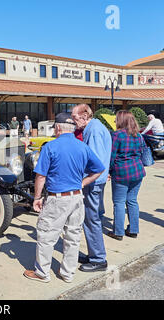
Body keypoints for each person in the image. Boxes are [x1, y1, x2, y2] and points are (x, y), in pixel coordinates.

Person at [23, 113, 105, 283]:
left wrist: (36, 198)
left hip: (57, 199)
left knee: (47, 235)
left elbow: (40, 176)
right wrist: (83, 183)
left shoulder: (50, 147)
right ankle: (67, 273)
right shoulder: (82, 146)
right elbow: (99, 169)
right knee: (73, 237)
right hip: (77, 197)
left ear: (58, 128)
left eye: (54, 127)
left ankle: (42, 273)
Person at [71, 104, 112, 272]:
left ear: (84, 116)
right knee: (91, 219)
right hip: (96, 182)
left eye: (75, 118)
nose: (74, 122)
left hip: (93, 182)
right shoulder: (96, 127)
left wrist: (82, 181)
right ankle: (94, 253)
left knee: (91, 220)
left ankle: (98, 259)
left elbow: (94, 162)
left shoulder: (93, 130)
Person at [108, 111, 146, 240]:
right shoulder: (139, 136)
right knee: (132, 200)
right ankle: (133, 230)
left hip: (121, 172)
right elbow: (141, 153)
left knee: (119, 202)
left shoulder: (117, 135)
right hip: (137, 170)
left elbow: (111, 156)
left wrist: (109, 171)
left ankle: (118, 232)